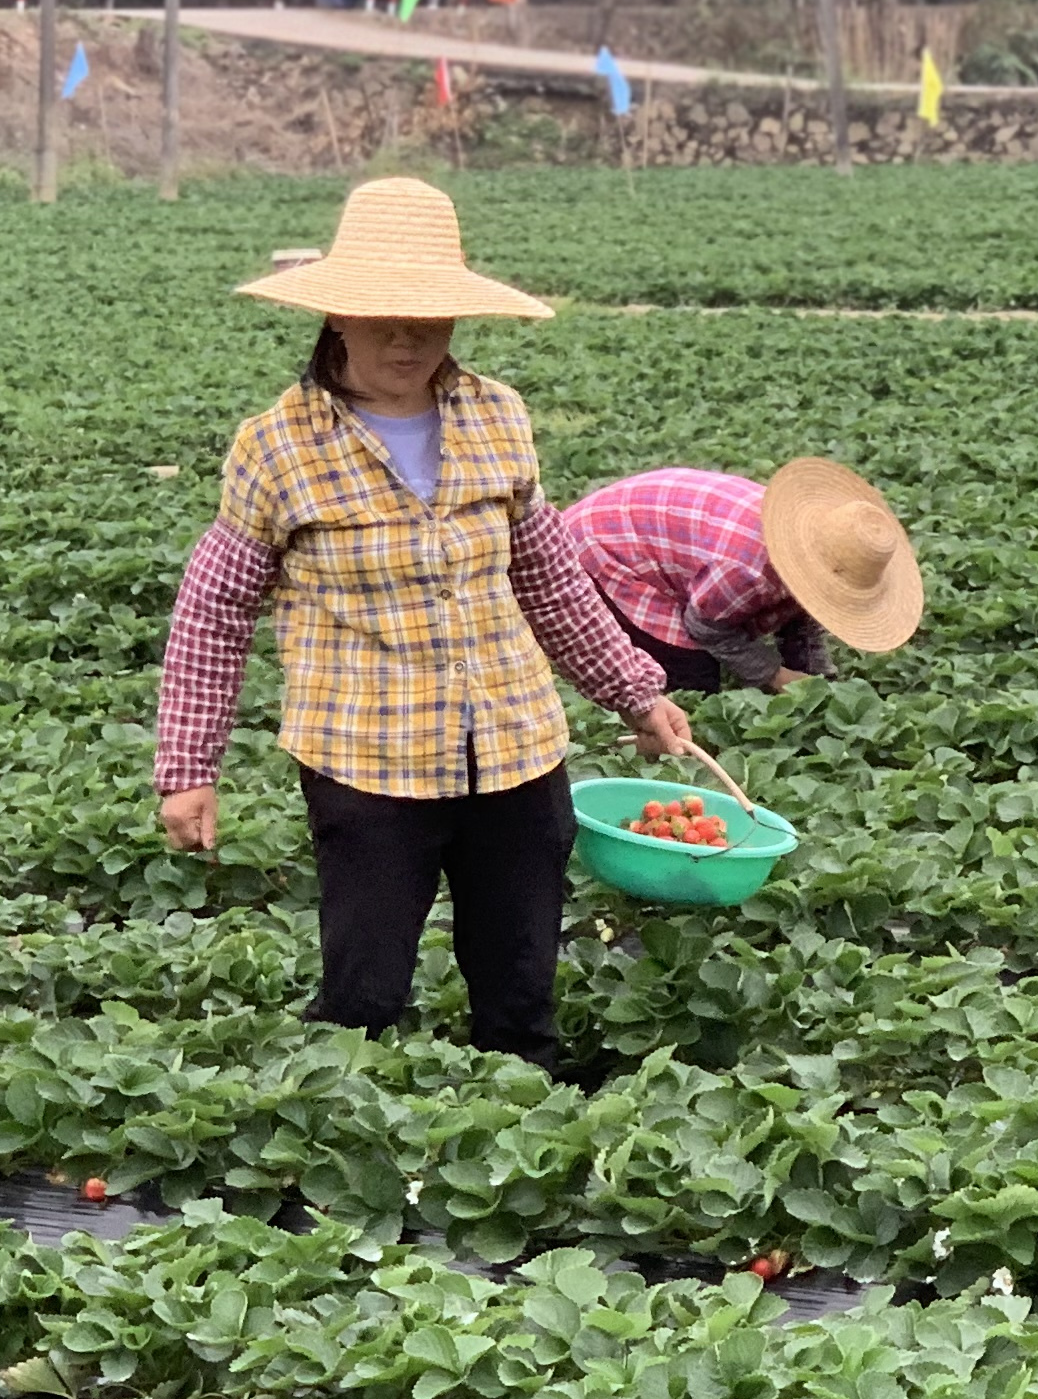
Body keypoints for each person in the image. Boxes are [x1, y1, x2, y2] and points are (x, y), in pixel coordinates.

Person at [151, 176, 690, 1072]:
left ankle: (525, 1135)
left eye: (429, 319)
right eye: (384, 318)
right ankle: (342, 1142)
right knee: (366, 991)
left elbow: (549, 577)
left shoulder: (497, 417)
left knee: (520, 985)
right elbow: (214, 610)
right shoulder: (278, 446)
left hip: (514, 741)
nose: (408, 340)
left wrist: (636, 694)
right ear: (337, 320)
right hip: (368, 754)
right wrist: (187, 770)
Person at [553, 460, 924, 690]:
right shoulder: (749, 569)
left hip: (681, 537)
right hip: (608, 545)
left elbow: (802, 621)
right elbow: (705, 627)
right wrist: (774, 676)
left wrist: (819, 681)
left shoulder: (807, 543)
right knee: (692, 680)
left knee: (725, 662)